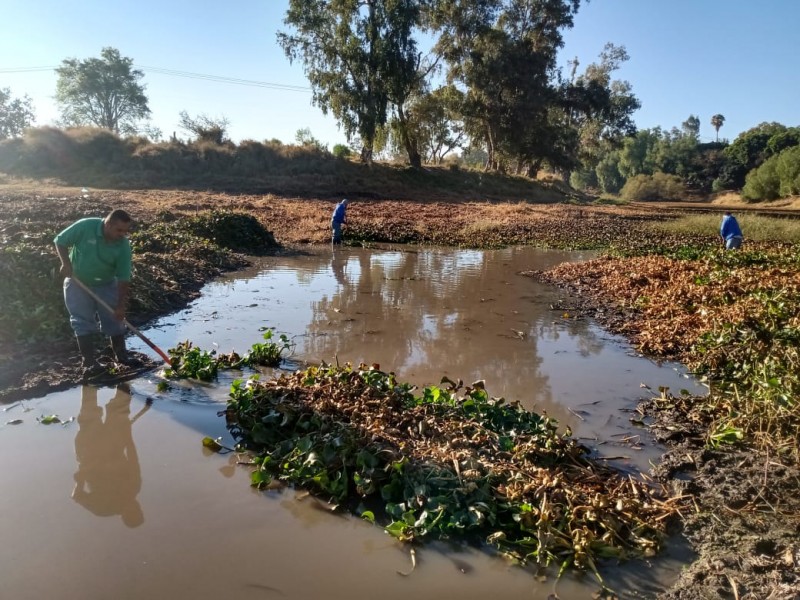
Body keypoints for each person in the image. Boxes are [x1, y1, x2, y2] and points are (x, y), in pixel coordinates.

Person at [54, 209, 135, 376]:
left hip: (106, 283)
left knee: (114, 320)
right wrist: (66, 264)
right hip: (78, 282)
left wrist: (120, 306)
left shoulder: (123, 246)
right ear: (108, 224)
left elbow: (123, 277)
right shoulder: (86, 226)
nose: (122, 235)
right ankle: (89, 362)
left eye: (125, 231)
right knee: (81, 321)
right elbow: (60, 240)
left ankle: (121, 356)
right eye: (119, 230)